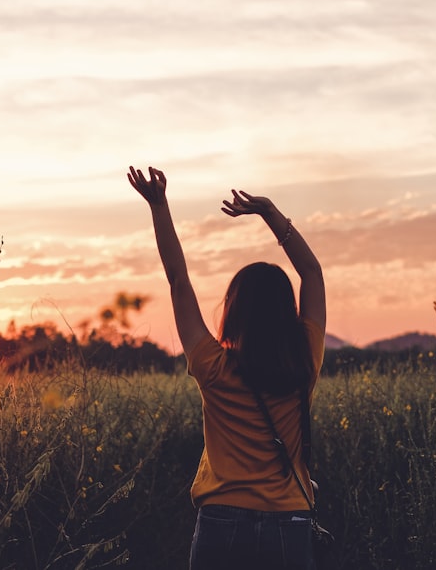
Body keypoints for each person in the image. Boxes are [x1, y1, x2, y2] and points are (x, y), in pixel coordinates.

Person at [128, 166, 326, 570]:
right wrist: (270, 212)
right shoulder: (305, 359)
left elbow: (178, 281)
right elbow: (312, 273)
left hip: (223, 520)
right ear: (287, 312)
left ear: (234, 311)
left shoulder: (213, 367)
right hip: (289, 520)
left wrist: (159, 205)